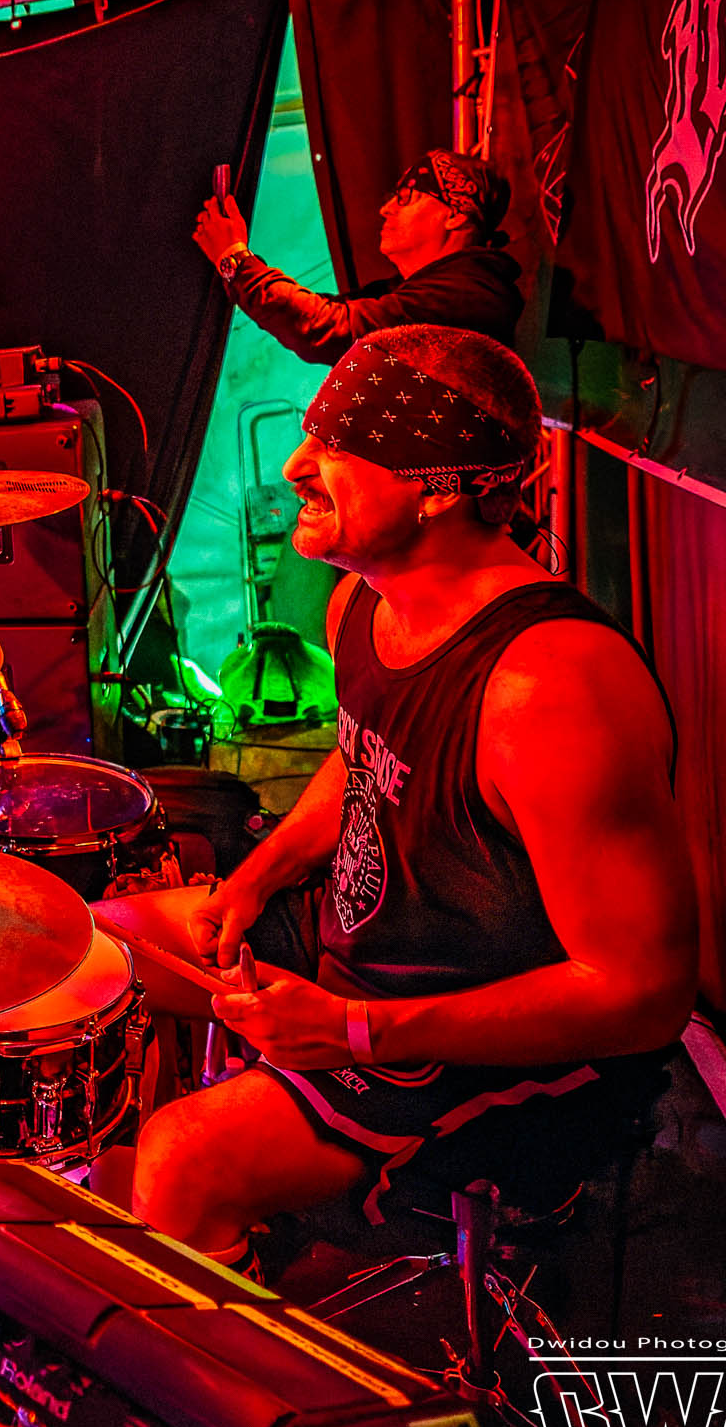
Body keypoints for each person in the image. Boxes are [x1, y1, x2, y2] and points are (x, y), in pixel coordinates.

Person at [91, 325, 695, 1272]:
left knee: (182, 1154)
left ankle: (231, 1321)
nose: (295, 467)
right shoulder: (362, 603)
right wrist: (253, 880)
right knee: (91, 943)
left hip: (488, 1039)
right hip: (363, 958)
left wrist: (354, 1031)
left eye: (337, 446)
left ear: (436, 486)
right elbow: (363, 763)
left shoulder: (551, 685)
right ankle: (202, 1229)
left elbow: (644, 996)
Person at [194, 150, 523, 366]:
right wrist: (238, 262)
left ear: (455, 215)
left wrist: (234, 258)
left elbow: (327, 328)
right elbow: (322, 311)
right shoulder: (421, 290)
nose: (385, 209)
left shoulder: (465, 299)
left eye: (405, 198)